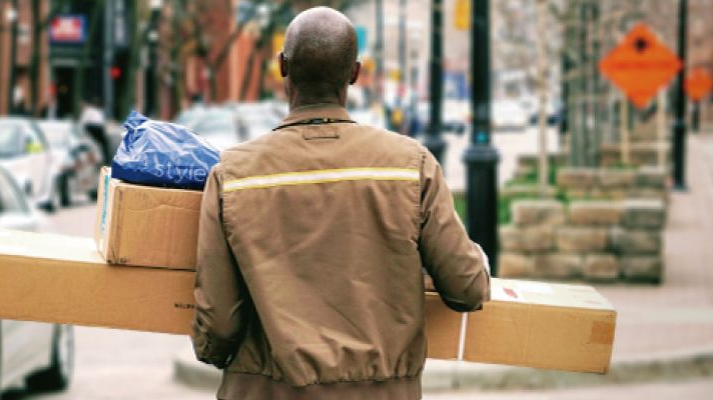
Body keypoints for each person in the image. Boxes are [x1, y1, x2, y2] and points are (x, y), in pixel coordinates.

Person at [191, 7, 490, 400]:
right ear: (354, 73)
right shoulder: (410, 165)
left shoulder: (234, 174)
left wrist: (218, 356)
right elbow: (466, 289)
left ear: (283, 67)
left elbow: (218, 323)